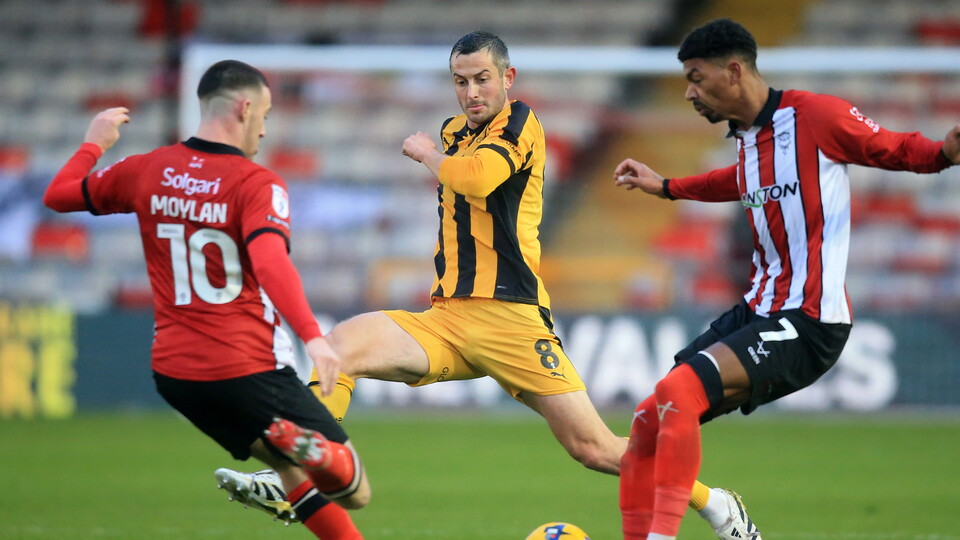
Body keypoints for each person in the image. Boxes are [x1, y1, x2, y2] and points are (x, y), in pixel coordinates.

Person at [215, 31, 759, 540]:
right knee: (339, 348)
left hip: (512, 320)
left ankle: (716, 504)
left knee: (594, 448)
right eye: (460, 80)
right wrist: (441, 151)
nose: (471, 91)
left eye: (481, 78)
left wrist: (428, 154)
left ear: (507, 78)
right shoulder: (456, 133)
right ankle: (301, 475)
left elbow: (476, 178)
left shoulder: (521, 125)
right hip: (446, 318)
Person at [614, 18, 960, 540]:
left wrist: (945, 153)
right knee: (648, 424)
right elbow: (737, 181)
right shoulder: (746, 139)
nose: (688, 92)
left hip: (810, 318)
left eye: (695, 77)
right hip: (759, 308)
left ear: (733, 72)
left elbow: (890, 147)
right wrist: (666, 186)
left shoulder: (815, 116)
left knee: (679, 393)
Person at [43, 60, 372, 540]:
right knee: (353, 488)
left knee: (289, 472)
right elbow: (271, 263)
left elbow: (57, 196)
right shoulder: (255, 183)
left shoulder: (146, 169)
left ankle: (297, 452)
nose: (265, 126)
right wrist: (313, 338)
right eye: (265, 112)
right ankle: (310, 446)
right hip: (247, 365)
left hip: (176, 375)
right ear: (243, 108)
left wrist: (94, 142)